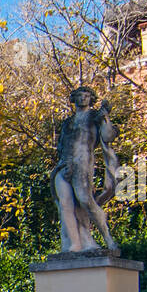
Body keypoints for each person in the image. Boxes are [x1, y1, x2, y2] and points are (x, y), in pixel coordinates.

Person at [50, 86, 119, 253]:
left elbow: (108, 137)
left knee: (85, 201)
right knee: (65, 204)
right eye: (80, 96)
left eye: (87, 96)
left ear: (91, 98)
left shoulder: (95, 117)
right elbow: (61, 146)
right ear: (74, 99)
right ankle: (74, 244)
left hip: (83, 164)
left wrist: (105, 118)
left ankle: (107, 237)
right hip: (64, 165)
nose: (83, 99)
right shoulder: (67, 122)